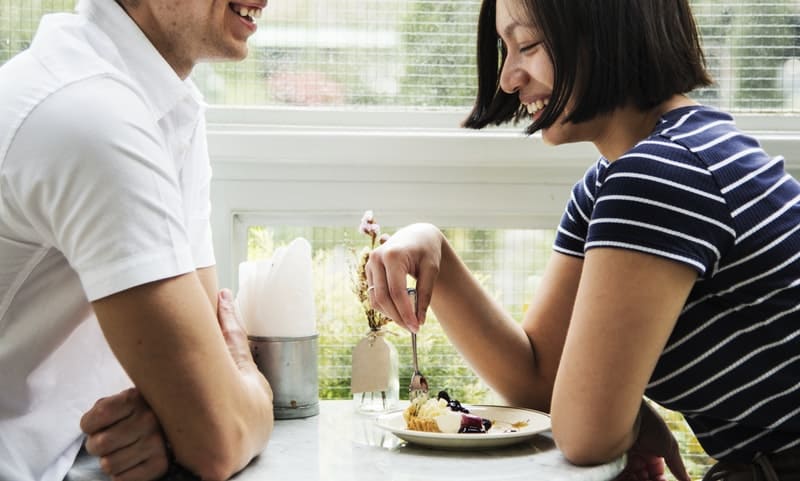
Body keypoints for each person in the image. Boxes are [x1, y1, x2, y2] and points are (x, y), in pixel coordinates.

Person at [365, 0, 800, 480]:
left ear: (606, 30)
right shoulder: (620, 180)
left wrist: (620, 419)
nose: (508, 78)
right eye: (504, 50)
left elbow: (586, 437)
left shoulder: (659, 178)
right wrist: (436, 256)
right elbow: (540, 382)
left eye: (527, 45)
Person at [0, 1, 274, 481]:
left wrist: (177, 419)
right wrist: (255, 388)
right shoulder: (93, 118)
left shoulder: (167, 104)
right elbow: (220, 436)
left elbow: (204, 366)